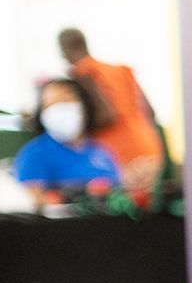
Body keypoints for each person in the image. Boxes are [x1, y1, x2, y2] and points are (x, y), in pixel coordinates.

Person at [59, 27, 166, 197]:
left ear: (64, 49)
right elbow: (150, 112)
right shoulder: (121, 70)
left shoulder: (84, 72)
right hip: (150, 149)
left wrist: (78, 127)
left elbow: (107, 115)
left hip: (120, 156)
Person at [12, 78, 124, 206]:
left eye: (65, 99)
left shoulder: (102, 151)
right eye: (49, 104)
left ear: (84, 104)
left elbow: (119, 194)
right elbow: (36, 202)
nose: (58, 108)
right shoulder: (34, 153)